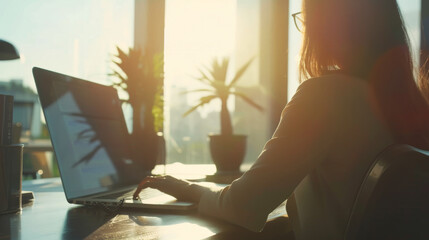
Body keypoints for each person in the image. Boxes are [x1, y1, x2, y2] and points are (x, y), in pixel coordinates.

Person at [134, 0, 429, 239]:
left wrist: (186, 189)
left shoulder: (325, 95)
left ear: (326, 25)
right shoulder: (413, 106)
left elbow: (243, 206)